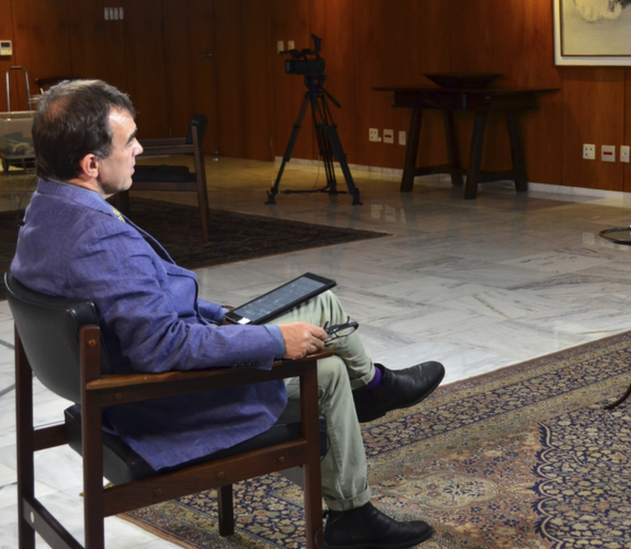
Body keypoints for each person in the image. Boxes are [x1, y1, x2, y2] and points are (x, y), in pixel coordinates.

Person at [11, 79, 443, 548]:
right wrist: (277, 341)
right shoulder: (99, 237)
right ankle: (354, 503)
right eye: (129, 141)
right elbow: (163, 346)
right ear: (91, 164)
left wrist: (222, 314)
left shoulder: (47, 208)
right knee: (331, 373)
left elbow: (140, 304)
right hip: (158, 404)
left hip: (130, 373)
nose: (139, 148)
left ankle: (374, 387)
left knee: (321, 301)